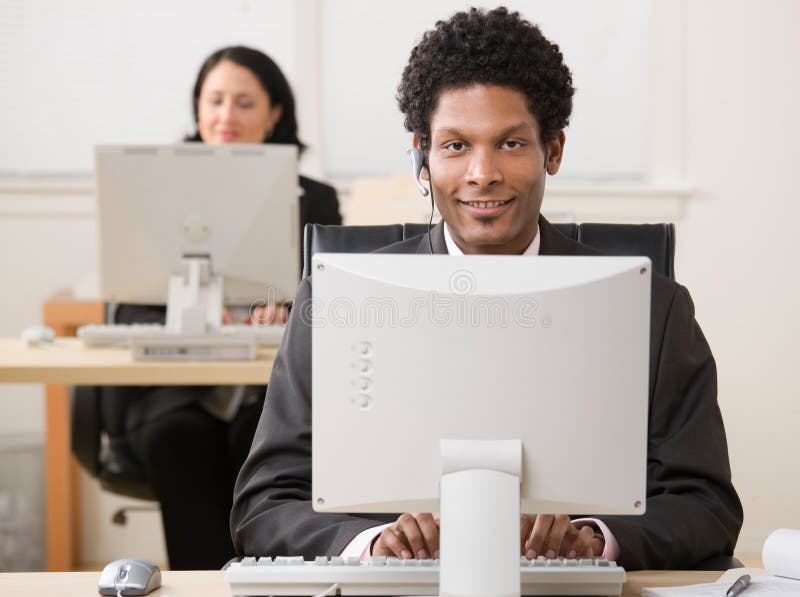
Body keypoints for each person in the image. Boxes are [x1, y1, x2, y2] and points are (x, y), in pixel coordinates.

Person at [230, 8, 742, 570]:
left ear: (554, 150)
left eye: (511, 144)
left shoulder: (656, 310)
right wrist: (372, 545)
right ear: (421, 157)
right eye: (455, 146)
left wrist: (596, 540)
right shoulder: (334, 304)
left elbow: (706, 505)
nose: (482, 172)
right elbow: (264, 504)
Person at [117, 45, 341, 570]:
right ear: (197, 109)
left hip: (268, 388)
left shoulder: (317, 198)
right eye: (214, 100)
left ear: (275, 113)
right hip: (176, 392)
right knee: (179, 438)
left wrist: (289, 313)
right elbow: (128, 308)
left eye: (244, 102)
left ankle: (265, 581)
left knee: (258, 439)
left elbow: (334, 299)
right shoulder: (153, 188)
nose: (225, 116)